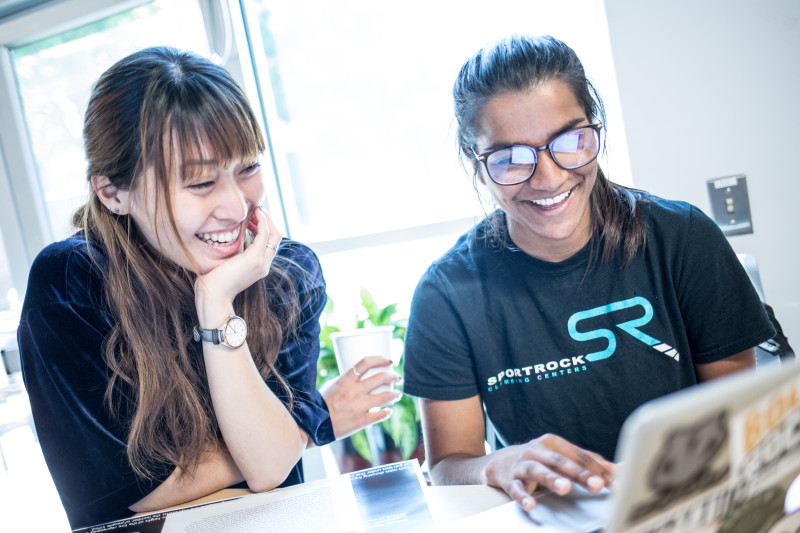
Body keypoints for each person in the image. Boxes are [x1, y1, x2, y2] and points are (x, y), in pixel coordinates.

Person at [17, 47, 399, 529]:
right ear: (114, 193)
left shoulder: (287, 274)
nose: (237, 208)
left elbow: (270, 468)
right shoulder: (71, 280)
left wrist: (216, 304)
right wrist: (304, 427)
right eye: (200, 183)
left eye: (247, 168)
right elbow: (124, 493)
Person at [402, 35, 774, 512]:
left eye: (570, 141)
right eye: (510, 158)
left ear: (594, 131)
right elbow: (449, 466)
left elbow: (738, 411)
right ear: (478, 167)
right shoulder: (445, 294)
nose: (548, 178)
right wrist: (496, 464)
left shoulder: (680, 238)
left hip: (695, 505)